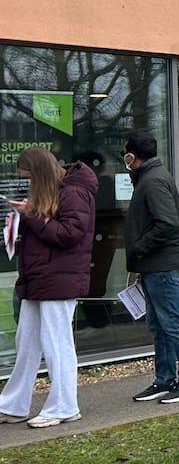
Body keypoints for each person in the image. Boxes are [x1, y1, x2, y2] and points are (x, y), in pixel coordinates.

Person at [0, 147, 95, 428]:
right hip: (42, 277)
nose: (28, 182)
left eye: (29, 177)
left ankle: (64, 406)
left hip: (58, 279)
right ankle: (13, 404)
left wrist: (31, 215)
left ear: (40, 174)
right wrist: (22, 220)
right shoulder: (58, 190)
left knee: (57, 343)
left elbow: (69, 234)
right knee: (27, 342)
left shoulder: (73, 192)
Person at [122, 132, 179, 404]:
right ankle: (164, 379)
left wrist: (139, 248)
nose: (124, 158)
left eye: (125, 153)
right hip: (153, 264)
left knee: (173, 323)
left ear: (132, 156)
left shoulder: (153, 180)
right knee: (158, 325)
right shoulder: (148, 178)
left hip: (162, 265)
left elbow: (167, 223)